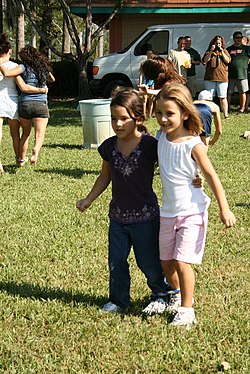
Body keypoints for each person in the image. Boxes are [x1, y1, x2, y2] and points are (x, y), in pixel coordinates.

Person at [76, 88, 202, 315]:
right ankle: (118, 300)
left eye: (124, 118)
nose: (118, 124)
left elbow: (177, 158)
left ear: (139, 118)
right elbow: (105, 176)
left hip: (146, 218)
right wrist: (89, 199)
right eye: (113, 118)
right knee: (116, 261)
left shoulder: (150, 145)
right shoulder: (108, 146)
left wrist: (195, 176)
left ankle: (162, 294)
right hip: (117, 218)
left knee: (149, 262)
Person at [155, 83, 236, 328]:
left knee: (182, 261)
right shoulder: (161, 138)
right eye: (159, 113)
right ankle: (176, 294)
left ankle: (187, 309)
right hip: (167, 212)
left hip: (192, 211)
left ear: (185, 114)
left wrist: (225, 208)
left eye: (169, 113)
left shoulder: (194, 144)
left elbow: (211, 175)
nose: (163, 119)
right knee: (166, 262)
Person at [0, 34, 48, 172]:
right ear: (9, 51)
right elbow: (23, 87)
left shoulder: (15, 66)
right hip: (12, 101)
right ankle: (19, 159)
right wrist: (41, 89)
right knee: (17, 134)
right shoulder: (15, 66)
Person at [202, 35, 231, 119]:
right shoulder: (209, 52)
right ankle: (209, 114)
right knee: (209, 97)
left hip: (222, 78)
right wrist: (211, 51)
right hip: (210, 78)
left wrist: (221, 51)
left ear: (222, 43)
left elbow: (228, 61)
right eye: (216, 42)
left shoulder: (225, 51)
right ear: (213, 43)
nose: (218, 44)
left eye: (220, 43)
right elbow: (204, 61)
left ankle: (225, 115)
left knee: (223, 97)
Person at [227, 31, 250, 114]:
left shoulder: (247, 49)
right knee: (229, 93)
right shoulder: (229, 49)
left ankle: (242, 108)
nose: (239, 39)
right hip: (230, 75)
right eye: (237, 38)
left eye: (240, 37)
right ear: (234, 39)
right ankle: (227, 108)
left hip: (242, 75)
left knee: (242, 92)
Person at [139, 50, 155, 119]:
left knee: (151, 99)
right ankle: (144, 114)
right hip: (145, 83)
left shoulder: (154, 64)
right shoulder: (143, 64)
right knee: (144, 100)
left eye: (151, 53)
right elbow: (140, 75)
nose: (150, 55)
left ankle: (150, 114)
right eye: (148, 53)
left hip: (151, 83)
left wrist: (154, 83)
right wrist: (140, 84)